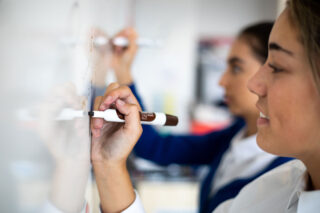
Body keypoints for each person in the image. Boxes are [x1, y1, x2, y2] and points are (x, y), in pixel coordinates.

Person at [91, 0, 320, 212]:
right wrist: (108, 165)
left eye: (277, 66)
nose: (254, 84)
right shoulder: (269, 189)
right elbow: (158, 147)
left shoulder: (275, 177)